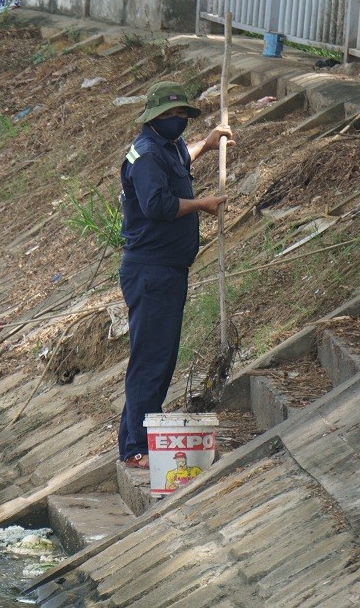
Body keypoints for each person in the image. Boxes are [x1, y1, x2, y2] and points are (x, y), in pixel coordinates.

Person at [118, 81, 233, 470]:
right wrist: (202, 204)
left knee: (161, 358)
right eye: (168, 116)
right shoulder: (147, 154)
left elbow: (181, 162)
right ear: (153, 118)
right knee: (150, 360)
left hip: (167, 271)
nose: (175, 121)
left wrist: (209, 141)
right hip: (151, 272)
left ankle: (140, 440)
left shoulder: (167, 147)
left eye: (180, 114)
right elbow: (158, 204)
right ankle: (135, 447)